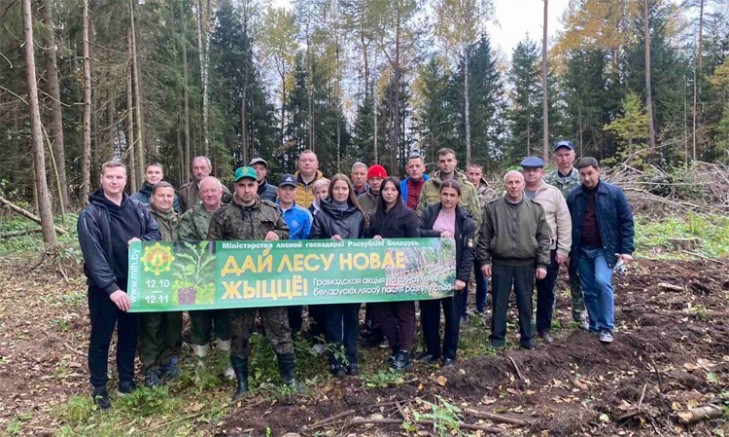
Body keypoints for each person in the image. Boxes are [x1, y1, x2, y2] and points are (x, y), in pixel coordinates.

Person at [207, 166, 299, 400]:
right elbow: (211, 249)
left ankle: (289, 380)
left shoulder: (271, 209)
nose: (247, 190)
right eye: (242, 185)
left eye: (250, 185)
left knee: (281, 330)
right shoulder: (223, 215)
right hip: (239, 287)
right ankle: (243, 384)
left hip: (271, 284)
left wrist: (278, 235)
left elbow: (286, 232)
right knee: (239, 334)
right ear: (236, 187)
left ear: (257, 185)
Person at [77, 161, 160, 410]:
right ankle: (100, 389)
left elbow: (155, 234)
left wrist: (142, 240)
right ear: (101, 179)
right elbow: (94, 257)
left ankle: (127, 381)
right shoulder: (90, 214)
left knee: (129, 334)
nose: (114, 181)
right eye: (110, 177)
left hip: (134, 282)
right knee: (101, 338)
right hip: (104, 289)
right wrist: (112, 289)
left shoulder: (138, 208)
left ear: (126, 180)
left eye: (119, 177)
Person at [477, 171, 550, 350]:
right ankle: (497, 338)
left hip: (526, 263)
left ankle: (528, 338)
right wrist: (484, 260)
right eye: (510, 182)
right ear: (505, 185)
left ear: (523, 184)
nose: (514, 186)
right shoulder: (493, 208)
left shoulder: (535, 208)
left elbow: (543, 238)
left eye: (517, 182)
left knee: (526, 302)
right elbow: (485, 236)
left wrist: (542, 263)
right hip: (501, 262)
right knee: (499, 302)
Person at [567, 157, 634, 344]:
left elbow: (626, 222)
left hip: (605, 250)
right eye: (582, 174)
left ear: (598, 171)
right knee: (588, 289)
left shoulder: (613, 193)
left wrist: (626, 250)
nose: (587, 178)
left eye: (590, 173)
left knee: (602, 282)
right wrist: (568, 252)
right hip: (581, 250)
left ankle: (607, 327)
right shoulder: (574, 196)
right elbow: (567, 225)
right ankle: (595, 326)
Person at [310, 174, 366, 377]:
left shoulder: (358, 215)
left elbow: (365, 241)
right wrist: (327, 241)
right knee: (333, 319)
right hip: (331, 275)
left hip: (353, 275)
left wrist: (374, 238)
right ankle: (335, 360)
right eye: (337, 189)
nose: (340, 192)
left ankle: (351, 358)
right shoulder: (321, 215)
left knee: (352, 317)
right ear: (331, 191)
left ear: (349, 191)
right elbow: (312, 242)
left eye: (344, 189)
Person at [177, 176, 233, 379]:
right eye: (205, 191)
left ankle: (226, 364)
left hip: (226, 279)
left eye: (214, 191)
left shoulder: (231, 213)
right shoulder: (189, 217)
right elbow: (185, 246)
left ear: (221, 193)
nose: (210, 194)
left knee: (225, 323)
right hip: (196, 279)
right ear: (200, 194)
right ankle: (201, 366)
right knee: (199, 323)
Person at [417, 180, 476, 366]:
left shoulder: (466, 220)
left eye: (452, 195)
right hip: (430, 273)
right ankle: (432, 351)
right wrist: (437, 235)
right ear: (440, 194)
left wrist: (462, 278)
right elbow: (417, 233)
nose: (448, 198)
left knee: (452, 316)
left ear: (458, 197)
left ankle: (450, 354)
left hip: (453, 275)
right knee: (429, 314)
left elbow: (469, 252)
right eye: (445, 194)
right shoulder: (429, 213)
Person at [366, 177, 420, 371]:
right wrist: (373, 237)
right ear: (381, 192)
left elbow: (416, 243)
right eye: (385, 189)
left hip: (403, 271)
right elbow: (367, 238)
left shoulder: (409, 215)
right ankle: (396, 347)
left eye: (393, 189)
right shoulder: (376, 215)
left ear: (399, 192)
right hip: (381, 271)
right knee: (382, 311)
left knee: (405, 311)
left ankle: (404, 352)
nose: (389, 193)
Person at [520, 157, 572, 344]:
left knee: (546, 290)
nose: (531, 174)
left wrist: (563, 250)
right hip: (522, 251)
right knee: (523, 290)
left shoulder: (553, 193)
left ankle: (544, 327)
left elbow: (564, 222)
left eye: (535, 170)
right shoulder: (515, 191)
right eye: (527, 170)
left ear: (542, 172)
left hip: (548, 249)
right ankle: (525, 327)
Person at [138, 182, 183, 387]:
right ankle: (151, 367)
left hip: (177, 278)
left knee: (174, 320)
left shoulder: (180, 220)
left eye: (169, 196)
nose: (165, 199)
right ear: (152, 198)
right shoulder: (144, 218)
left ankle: (170, 359)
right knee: (152, 322)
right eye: (161, 196)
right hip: (152, 277)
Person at [543, 140, 588, 329]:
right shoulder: (547, 181)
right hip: (552, 238)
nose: (563, 158)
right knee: (548, 280)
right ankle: (547, 318)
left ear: (573, 156)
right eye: (560, 155)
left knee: (578, 278)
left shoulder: (583, 178)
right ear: (555, 158)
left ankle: (580, 316)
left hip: (578, 237)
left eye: (567, 154)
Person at [276, 174, 314, 334]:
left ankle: (295, 336)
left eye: (291, 189)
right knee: (273, 305)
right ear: (278, 190)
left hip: (295, 267)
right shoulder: (268, 209)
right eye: (284, 188)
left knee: (294, 305)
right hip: (272, 266)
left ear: (296, 191)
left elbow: (309, 240)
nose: (287, 192)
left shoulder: (304, 214)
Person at [465, 163, 497, 317]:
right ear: (466, 174)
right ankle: (462, 310)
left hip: (483, 242)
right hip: (465, 241)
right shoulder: (461, 191)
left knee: (482, 277)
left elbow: (495, 218)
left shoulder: (490, 194)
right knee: (463, 277)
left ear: (482, 174)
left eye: (477, 174)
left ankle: (481, 309)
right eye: (471, 174)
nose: (474, 177)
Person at [417, 148, 480, 224]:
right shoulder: (428, 186)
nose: (446, 164)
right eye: (442, 161)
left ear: (455, 162)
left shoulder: (468, 188)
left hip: (460, 234)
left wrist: (468, 235)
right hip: (433, 234)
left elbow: (476, 218)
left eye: (449, 160)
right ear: (438, 163)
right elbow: (420, 214)